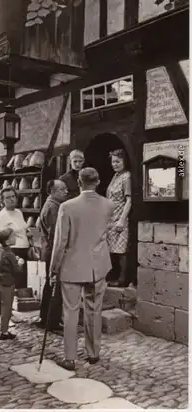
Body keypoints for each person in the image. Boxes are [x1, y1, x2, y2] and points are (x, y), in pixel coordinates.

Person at [51, 168, 115, 371]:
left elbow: (60, 242)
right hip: (98, 265)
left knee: (70, 312)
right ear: (98, 182)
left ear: (78, 183)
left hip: (73, 265)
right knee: (94, 310)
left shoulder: (67, 207)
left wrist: (54, 267)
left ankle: (69, 358)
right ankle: (93, 354)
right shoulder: (109, 205)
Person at [36, 179, 68, 330]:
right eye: (62, 190)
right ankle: (51, 321)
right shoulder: (53, 208)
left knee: (50, 286)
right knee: (54, 285)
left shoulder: (54, 205)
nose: (66, 192)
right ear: (52, 192)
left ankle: (47, 318)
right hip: (52, 252)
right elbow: (56, 234)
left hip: (49, 250)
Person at [0, 228, 24, 340]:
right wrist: (20, 263)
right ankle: (4, 331)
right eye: (13, 236)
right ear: (8, 241)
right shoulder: (9, 253)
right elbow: (17, 270)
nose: (15, 238)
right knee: (6, 307)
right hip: (7, 283)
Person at [0, 187, 32, 288]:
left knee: (23, 282)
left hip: (25, 251)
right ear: (2, 201)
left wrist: (28, 233)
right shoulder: (1, 216)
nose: (12, 199)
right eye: (7, 197)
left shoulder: (18, 212)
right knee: (16, 283)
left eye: (13, 196)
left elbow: (23, 228)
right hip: (13, 252)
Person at [106, 149, 132, 287]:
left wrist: (122, 219)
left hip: (121, 215)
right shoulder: (115, 176)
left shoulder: (126, 177)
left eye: (118, 161)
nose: (115, 164)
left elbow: (129, 200)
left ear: (124, 161)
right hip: (111, 216)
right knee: (113, 249)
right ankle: (113, 275)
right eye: (113, 161)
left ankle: (123, 279)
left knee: (121, 250)